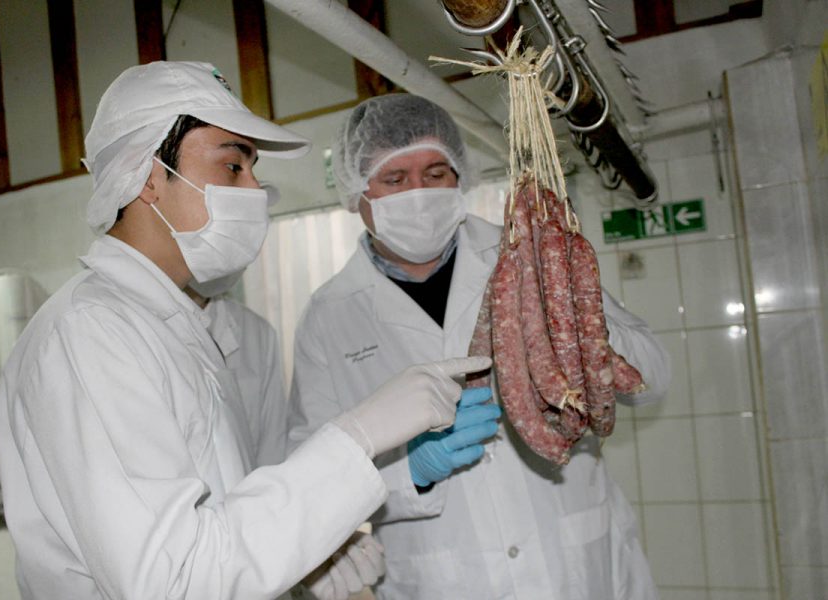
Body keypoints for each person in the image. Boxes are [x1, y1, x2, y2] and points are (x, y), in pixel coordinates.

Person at [0, 62, 490, 600]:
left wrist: (309, 555)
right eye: (233, 167)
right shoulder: (91, 334)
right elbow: (173, 581)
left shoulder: (175, 325)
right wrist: (358, 437)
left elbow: (229, 518)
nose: (256, 190)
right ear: (147, 177)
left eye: (253, 170)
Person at [288, 94, 672, 599]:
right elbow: (317, 475)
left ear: (461, 177)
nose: (419, 193)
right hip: (441, 578)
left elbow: (651, 380)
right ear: (358, 192)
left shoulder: (527, 254)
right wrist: (412, 471)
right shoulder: (329, 315)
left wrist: (574, 314)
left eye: (435, 172)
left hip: (576, 568)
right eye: (395, 180)